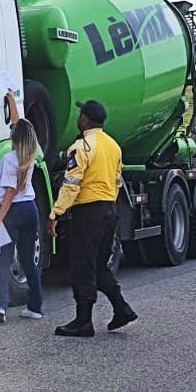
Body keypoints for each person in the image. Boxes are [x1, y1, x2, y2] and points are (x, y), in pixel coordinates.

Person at [46, 100, 137, 337]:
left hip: (88, 213)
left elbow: (71, 185)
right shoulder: (113, 146)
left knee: (82, 266)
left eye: (80, 114)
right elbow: (117, 182)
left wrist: (56, 213)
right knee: (98, 265)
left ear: (85, 120)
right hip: (109, 210)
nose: (78, 118)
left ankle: (83, 321)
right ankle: (121, 308)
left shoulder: (82, 147)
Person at [0, 92, 44, 323]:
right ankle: (35, 307)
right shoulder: (32, 154)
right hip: (31, 209)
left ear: (14, 137)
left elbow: (9, 194)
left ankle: (0, 306)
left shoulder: (8, 160)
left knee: (3, 260)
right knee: (28, 260)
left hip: (12, 212)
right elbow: (18, 124)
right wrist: (11, 99)